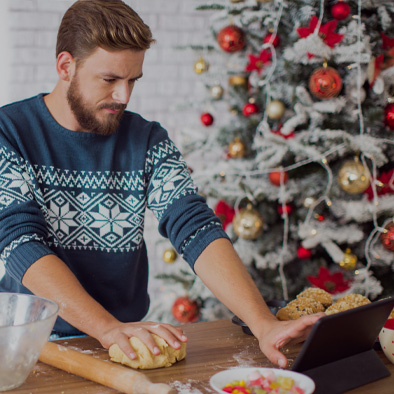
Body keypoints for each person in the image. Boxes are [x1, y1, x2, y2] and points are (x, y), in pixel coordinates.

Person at [0, 0, 323, 368]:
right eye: (109, 80)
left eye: (132, 81)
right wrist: (107, 328)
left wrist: (262, 323)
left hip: (124, 340)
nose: (123, 96)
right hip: (29, 344)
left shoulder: (147, 139)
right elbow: (19, 242)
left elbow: (195, 226)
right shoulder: (8, 132)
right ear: (65, 66)